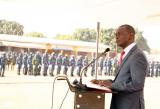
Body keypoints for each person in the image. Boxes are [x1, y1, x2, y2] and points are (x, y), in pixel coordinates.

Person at [91, 24, 148, 109]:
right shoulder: (126, 54)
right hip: (120, 104)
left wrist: (112, 85)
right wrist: (102, 82)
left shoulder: (137, 55)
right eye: (115, 35)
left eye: (119, 34)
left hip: (130, 105)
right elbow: (123, 79)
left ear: (130, 35)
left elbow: (137, 84)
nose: (116, 37)